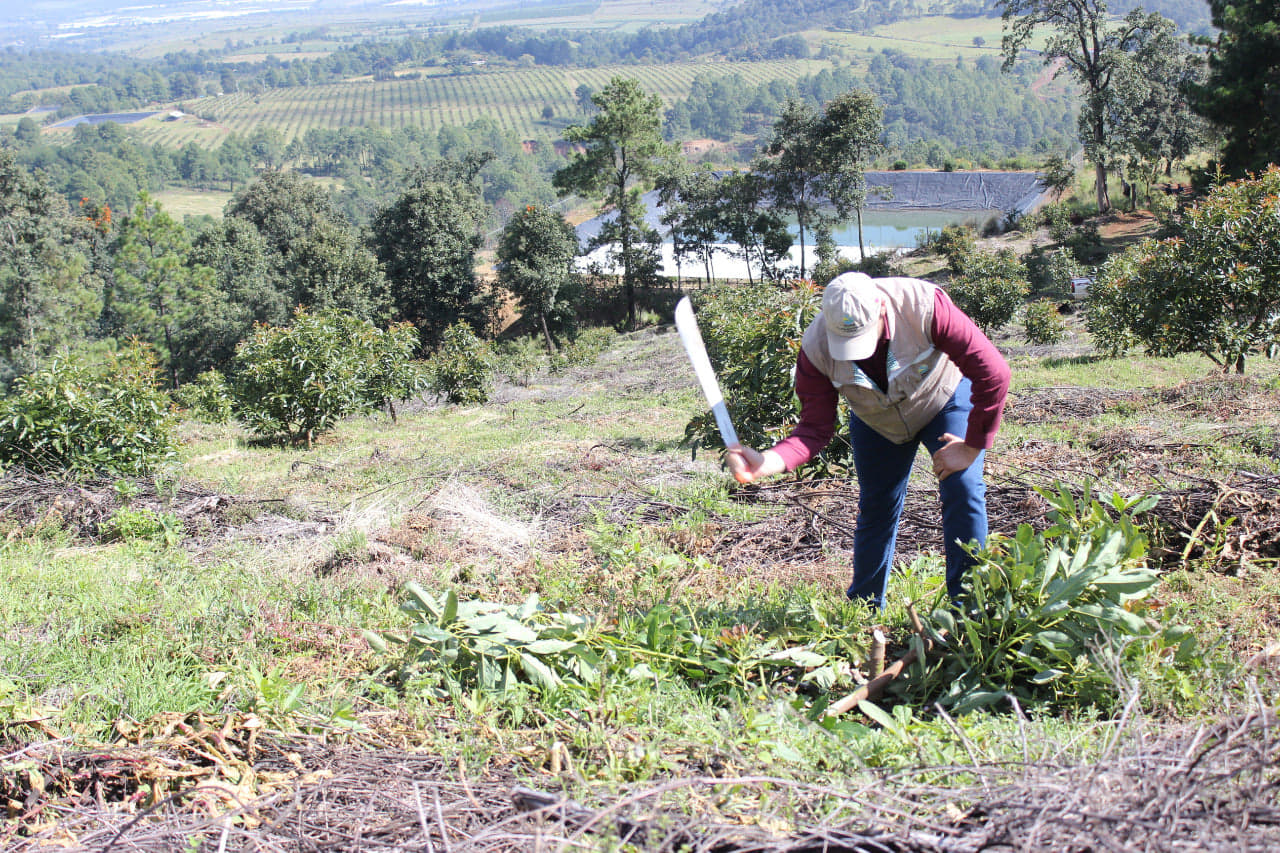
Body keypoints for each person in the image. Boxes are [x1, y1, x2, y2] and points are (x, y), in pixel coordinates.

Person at [725, 272, 1010, 609]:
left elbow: (993, 373)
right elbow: (814, 428)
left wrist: (971, 446)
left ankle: (970, 608)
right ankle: (864, 607)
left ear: (881, 310)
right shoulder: (816, 348)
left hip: (941, 397)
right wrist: (766, 462)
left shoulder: (924, 306)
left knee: (963, 486)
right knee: (877, 505)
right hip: (877, 419)